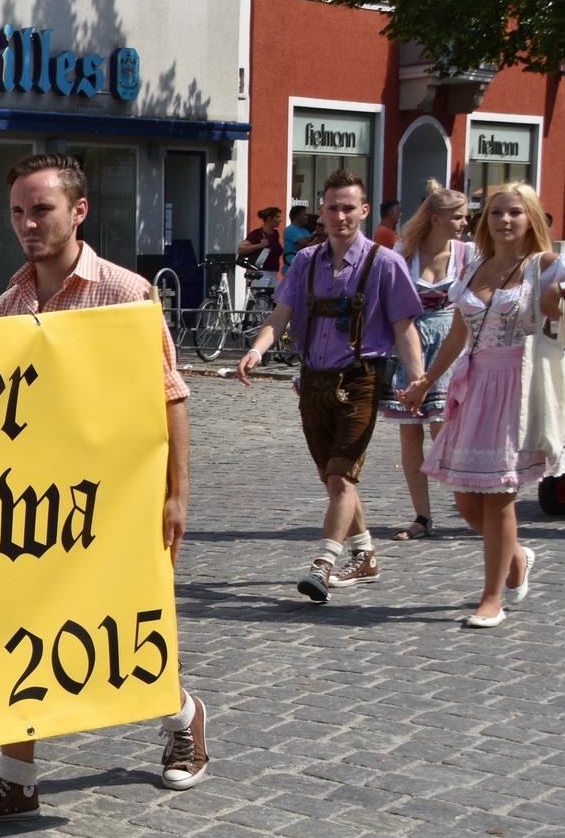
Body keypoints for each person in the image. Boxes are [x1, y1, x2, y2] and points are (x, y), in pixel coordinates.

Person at [0, 153, 208, 830]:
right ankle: (17, 776)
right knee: (18, 630)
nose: (29, 223)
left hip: (115, 498)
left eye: (43, 209)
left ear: (78, 211)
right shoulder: (9, 302)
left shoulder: (125, 293)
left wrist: (177, 495)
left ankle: (181, 714)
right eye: (20, 211)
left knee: (117, 627)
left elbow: (170, 397)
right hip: (30, 506)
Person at [234, 170, 426, 602]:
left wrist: (418, 379)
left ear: (363, 211)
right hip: (313, 383)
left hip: (359, 382)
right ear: (322, 212)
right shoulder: (305, 261)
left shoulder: (386, 263)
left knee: (340, 476)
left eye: (348, 207)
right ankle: (365, 554)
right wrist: (257, 350)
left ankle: (322, 565)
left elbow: (404, 327)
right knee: (334, 479)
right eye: (332, 207)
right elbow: (280, 314)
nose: (341, 216)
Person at [401, 183, 564, 626]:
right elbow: (458, 335)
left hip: (517, 386)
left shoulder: (545, 265)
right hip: (474, 387)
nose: (504, 221)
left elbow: (553, 310)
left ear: (530, 217)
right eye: (496, 213)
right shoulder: (474, 266)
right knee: (466, 500)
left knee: (499, 499)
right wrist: (424, 382)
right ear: (485, 219)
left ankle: (492, 598)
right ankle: (517, 558)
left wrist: (556, 298)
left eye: (514, 212)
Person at [379, 183, 473, 541]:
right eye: (458, 216)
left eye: (466, 216)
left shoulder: (468, 254)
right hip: (411, 344)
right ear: (436, 219)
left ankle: (471, 501)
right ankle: (422, 516)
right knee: (410, 433)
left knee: (443, 429)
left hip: (452, 343)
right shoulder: (404, 254)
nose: (465, 222)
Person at [239, 207, 285, 302]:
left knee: (273, 303)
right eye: (277, 217)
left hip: (273, 274)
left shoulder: (275, 233)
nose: (280, 220)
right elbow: (241, 249)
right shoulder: (257, 234)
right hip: (261, 274)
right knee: (261, 306)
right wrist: (259, 245)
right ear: (269, 219)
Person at [282, 205, 313, 271]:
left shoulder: (305, 230)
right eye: (304, 215)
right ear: (296, 216)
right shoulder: (290, 229)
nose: (307, 217)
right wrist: (308, 242)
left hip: (302, 267)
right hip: (291, 268)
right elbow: (304, 242)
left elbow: (313, 244)